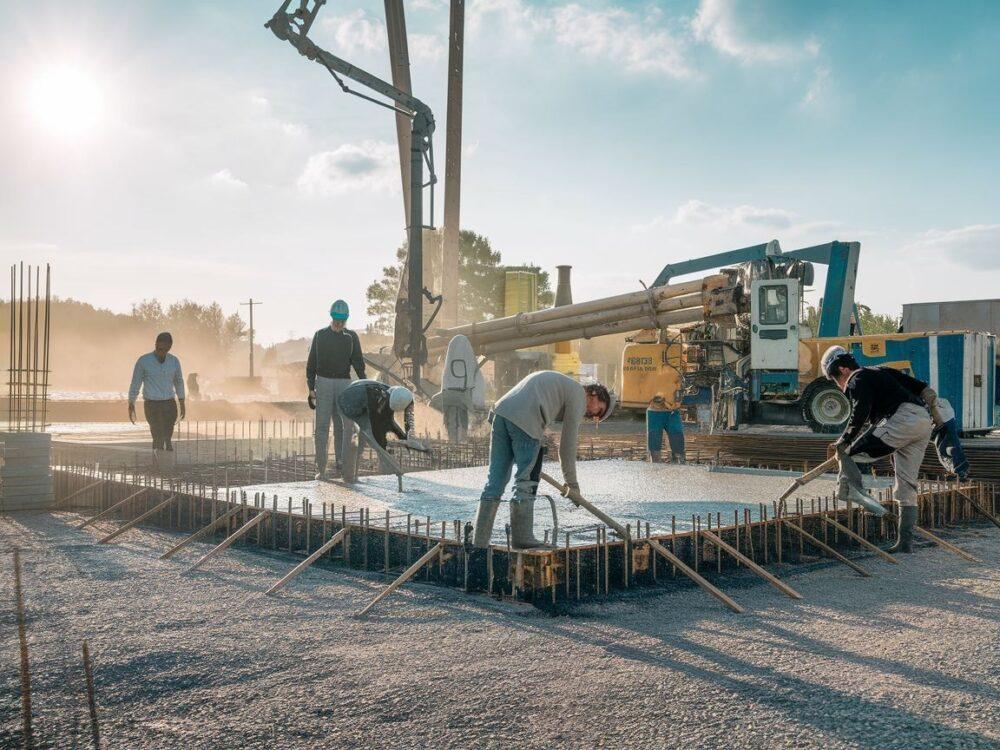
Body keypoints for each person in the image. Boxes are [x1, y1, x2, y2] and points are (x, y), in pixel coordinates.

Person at [472, 371, 615, 549]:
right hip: (526, 417)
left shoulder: (564, 386)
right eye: (598, 411)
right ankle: (522, 537)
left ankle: (479, 540)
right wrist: (573, 484)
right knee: (526, 480)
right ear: (595, 395)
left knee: (495, 480)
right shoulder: (578, 394)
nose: (592, 414)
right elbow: (567, 445)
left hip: (501, 413)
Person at [822, 345, 933, 553]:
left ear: (843, 369)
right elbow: (920, 387)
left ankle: (852, 492)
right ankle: (905, 543)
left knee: (849, 455)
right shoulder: (880, 371)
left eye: (836, 379)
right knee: (906, 485)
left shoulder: (857, 378)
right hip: (922, 422)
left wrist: (844, 442)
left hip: (901, 420)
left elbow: (859, 412)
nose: (839, 385)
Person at [306, 300, 366, 479]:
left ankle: (346, 465)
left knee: (348, 426)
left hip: (344, 383)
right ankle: (322, 470)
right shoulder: (320, 336)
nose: (339, 323)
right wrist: (311, 388)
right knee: (322, 427)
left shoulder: (351, 337)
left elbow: (358, 363)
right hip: (323, 382)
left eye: (342, 320)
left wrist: (364, 385)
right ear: (331, 317)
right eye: (336, 319)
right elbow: (311, 364)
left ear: (346, 319)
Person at [337, 380, 421, 482]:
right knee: (354, 439)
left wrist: (403, 437)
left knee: (366, 440)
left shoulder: (393, 394)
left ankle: (356, 475)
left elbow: (389, 420)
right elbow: (370, 425)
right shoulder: (377, 398)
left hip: (362, 398)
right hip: (348, 402)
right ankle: (348, 476)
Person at [128, 332, 185, 469]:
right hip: (152, 404)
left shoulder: (174, 361)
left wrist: (182, 401)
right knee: (157, 434)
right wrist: (131, 402)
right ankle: (158, 466)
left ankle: (168, 463)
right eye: (160, 349)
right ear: (155, 345)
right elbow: (136, 382)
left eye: (165, 350)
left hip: (169, 403)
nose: (162, 353)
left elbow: (178, 381)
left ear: (170, 347)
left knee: (168, 434)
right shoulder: (144, 361)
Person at [646, 395, 685, 463]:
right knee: (655, 435)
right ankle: (655, 460)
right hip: (655, 410)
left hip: (672, 411)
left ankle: (678, 458)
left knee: (677, 433)